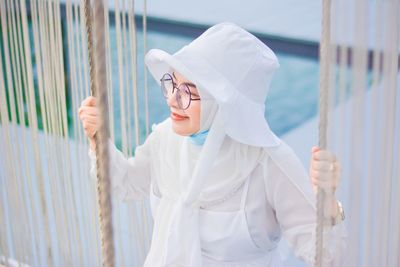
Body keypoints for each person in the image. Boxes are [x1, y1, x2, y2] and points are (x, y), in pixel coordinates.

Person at [78, 22, 347, 266]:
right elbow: (127, 185)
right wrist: (99, 140)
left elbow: (327, 258)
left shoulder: (268, 162)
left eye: (187, 92)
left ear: (225, 103)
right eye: (172, 84)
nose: (172, 99)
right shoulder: (165, 138)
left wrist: (328, 203)